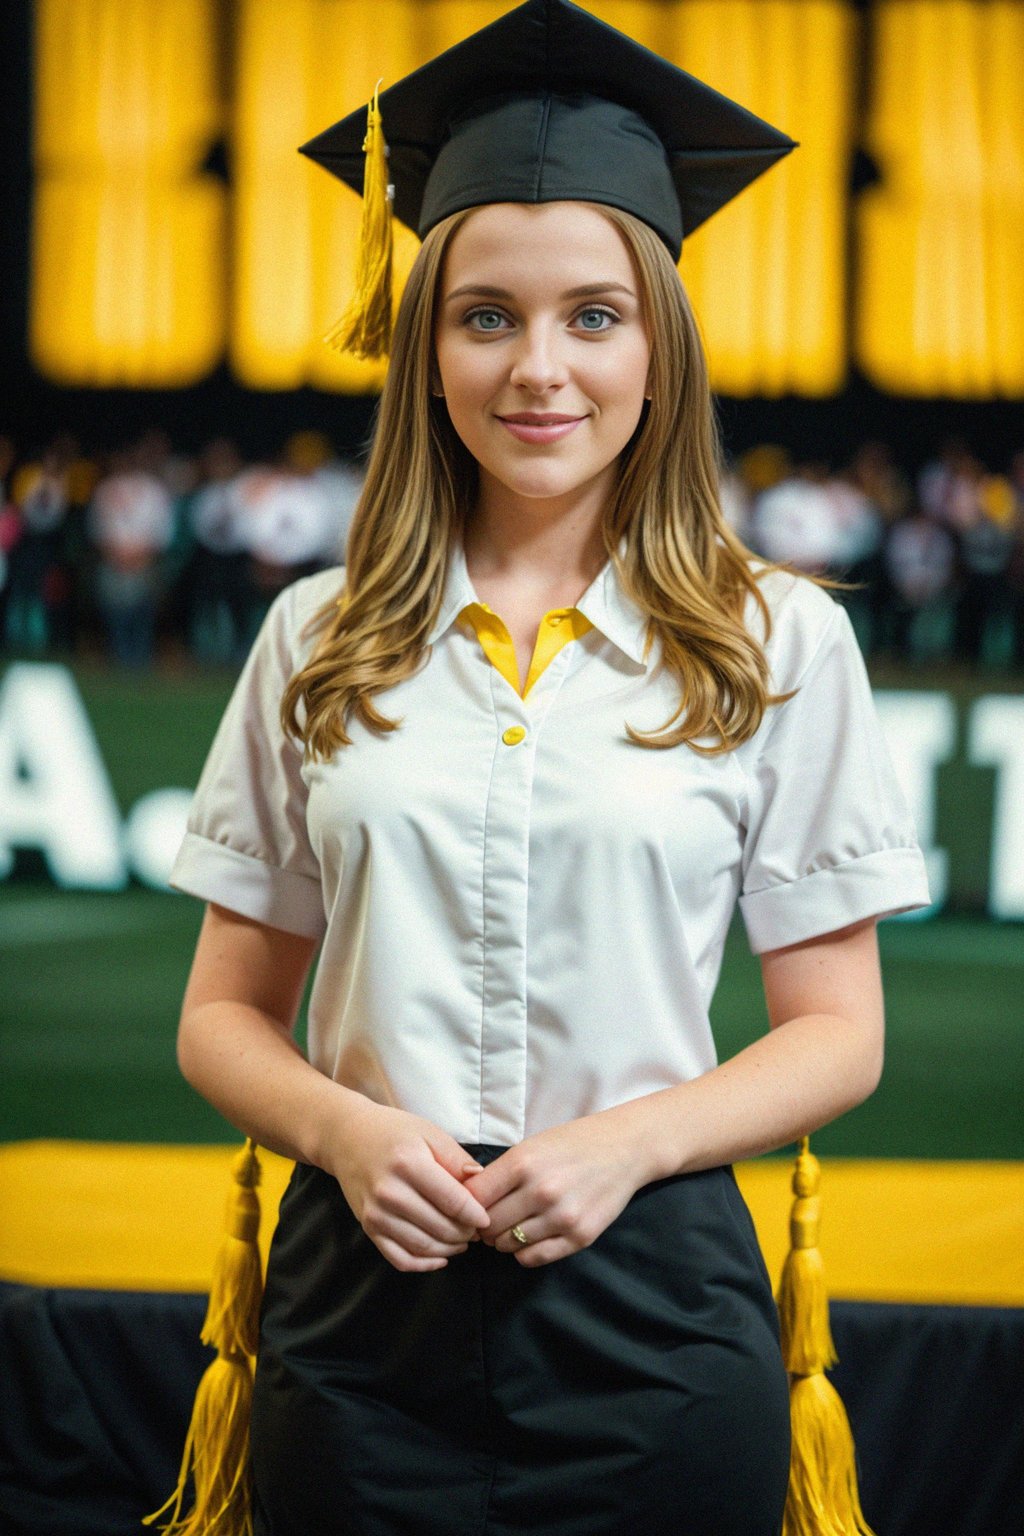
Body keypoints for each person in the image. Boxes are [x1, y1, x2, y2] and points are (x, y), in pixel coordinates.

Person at [162, 3, 931, 1533]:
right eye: (486, 315)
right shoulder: (317, 634)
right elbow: (223, 1016)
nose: (540, 368)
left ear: (660, 341)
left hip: (652, 1307)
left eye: (594, 315)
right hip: (357, 1309)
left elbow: (838, 1036)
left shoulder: (773, 640)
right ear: (423, 342)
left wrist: (625, 1144)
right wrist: (343, 1130)